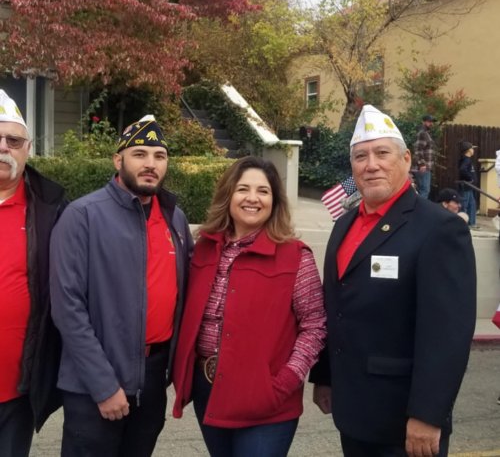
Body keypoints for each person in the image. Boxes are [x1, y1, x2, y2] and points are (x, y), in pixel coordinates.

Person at [310, 104, 476, 457]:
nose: (371, 164)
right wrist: (325, 376)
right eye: (360, 156)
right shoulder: (344, 225)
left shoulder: (440, 229)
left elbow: (447, 334)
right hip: (352, 412)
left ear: (406, 159)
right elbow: (335, 306)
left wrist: (428, 414)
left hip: (404, 423)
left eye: (382, 153)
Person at [50, 115, 193, 457]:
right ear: (118, 160)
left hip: (153, 377)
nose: (150, 164)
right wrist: (103, 385)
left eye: (159, 156)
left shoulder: (175, 218)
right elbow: (67, 308)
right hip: (95, 381)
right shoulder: (82, 216)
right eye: (140, 154)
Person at [172, 156, 326, 457]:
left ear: (275, 200)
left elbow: (315, 325)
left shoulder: (295, 256)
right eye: (243, 189)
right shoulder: (203, 248)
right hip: (209, 390)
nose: (252, 198)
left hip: (267, 399)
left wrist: (284, 383)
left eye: (263, 191)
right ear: (229, 195)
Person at [0, 89, 66, 456]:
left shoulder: (52, 211)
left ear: (28, 149)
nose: (4, 147)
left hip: (17, 388)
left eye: (14, 140)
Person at [413, 114, 437, 199]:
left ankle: (418, 210)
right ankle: (420, 211)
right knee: (424, 190)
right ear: (423, 122)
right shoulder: (422, 133)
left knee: (422, 190)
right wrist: (422, 164)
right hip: (423, 167)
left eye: (432, 122)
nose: (431, 124)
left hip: (425, 167)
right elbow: (418, 149)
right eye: (429, 121)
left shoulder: (426, 133)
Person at [458, 141, 479, 229]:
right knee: (464, 204)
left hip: (469, 186)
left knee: (472, 204)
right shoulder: (466, 160)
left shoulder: (467, 160)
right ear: (468, 150)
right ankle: (462, 223)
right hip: (466, 185)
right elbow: (462, 170)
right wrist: (470, 178)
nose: (473, 150)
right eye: (472, 149)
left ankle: (472, 223)